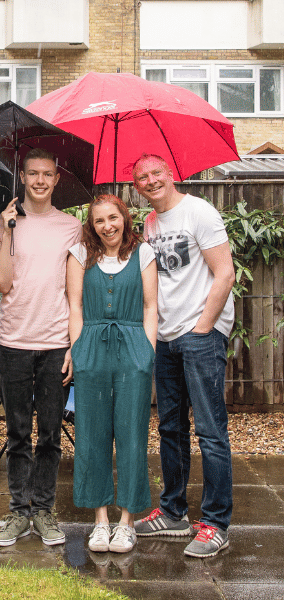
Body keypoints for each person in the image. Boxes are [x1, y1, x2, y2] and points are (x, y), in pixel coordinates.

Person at [132, 154, 235, 558]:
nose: (151, 180)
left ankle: (215, 523)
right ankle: (174, 511)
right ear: (137, 187)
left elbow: (224, 273)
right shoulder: (150, 224)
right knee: (170, 429)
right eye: (142, 177)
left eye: (156, 173)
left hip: (198, 335)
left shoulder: (199, 212)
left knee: (210, 431)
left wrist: (204, 327)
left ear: (171, 174)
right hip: (165, 337)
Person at [0, 147, 82, 547]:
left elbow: (77, 292)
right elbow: (2, 283)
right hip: (12, 342)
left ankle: (43, 511)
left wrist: (75, 347)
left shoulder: (71, 227)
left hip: (56, 343)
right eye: (33, 174)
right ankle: (17, 512)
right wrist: (9, 229)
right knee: (17, 433)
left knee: (49, 436)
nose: (40, 180)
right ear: (21, 177)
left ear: (56, 179)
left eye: (47, 174)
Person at [67, 194, 157, 554]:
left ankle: (127, 522)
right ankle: (100, 521)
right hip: (91, 345)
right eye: (99, 220)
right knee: (91, 432)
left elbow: (151, 306)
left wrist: (146, 352)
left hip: (133, 345)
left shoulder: (144, 254)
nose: (107, 226)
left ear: (124, 218)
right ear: (92, 225)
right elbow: (73, 306)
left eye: (113, 218)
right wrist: (78, 351)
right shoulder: (78, 255)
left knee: (132, 433)